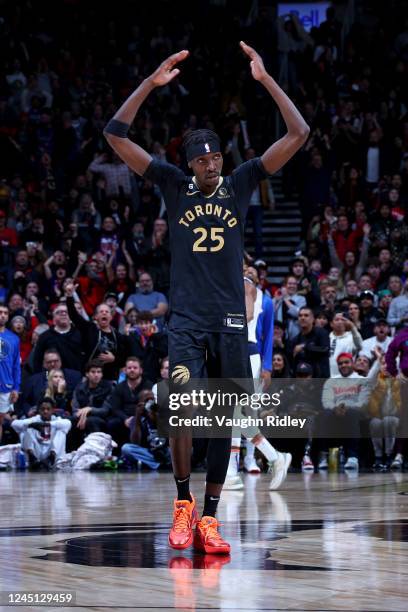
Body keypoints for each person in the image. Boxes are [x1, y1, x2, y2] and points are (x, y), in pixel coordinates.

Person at [104, 43, 309, 554]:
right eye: (203, 159)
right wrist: (151, 83)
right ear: (190, 163)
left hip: (230, 321)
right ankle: (182, 504)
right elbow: (114, 134)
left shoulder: (240, 181)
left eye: (217, 156)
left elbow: (299, 133)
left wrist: (265, 80)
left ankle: (211, 518)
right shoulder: (173, 185)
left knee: (223, 421)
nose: (212, 164)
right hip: (189, 317)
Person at [12, 397, 71, 470]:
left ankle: (50, 459)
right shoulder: (35, 419)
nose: (45, 411)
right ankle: (32, 458)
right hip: (37, 452)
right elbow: (14, 424)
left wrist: (48, 424)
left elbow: (68, 423)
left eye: (48, 409)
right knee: (28, 428)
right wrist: (32, 425)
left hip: (52, 453)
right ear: (39, 410)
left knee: (61, 431)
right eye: (43, 409)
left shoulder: (57, 420)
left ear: (52, 410)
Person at [0, 304, 21, 443]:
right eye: (0, 312)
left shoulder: (13, 338)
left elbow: (16, 366)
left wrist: (16, 388)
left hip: (5, 386)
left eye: (5, 313)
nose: (2, 315)